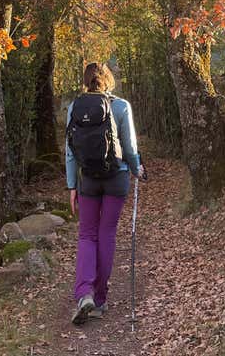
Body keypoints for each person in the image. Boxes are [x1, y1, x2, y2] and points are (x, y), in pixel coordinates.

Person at [66, 62, 144, 325]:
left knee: (87, 234)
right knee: (106, 233)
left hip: (88, 179)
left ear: (86, 81)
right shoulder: (121, 106)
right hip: (117, 177)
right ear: (108, 79)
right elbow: (130, 145)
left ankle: (83, 292)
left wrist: (71, 186)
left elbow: (70, 151)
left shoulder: (74, 107)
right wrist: (137, 169)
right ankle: (99, 299)